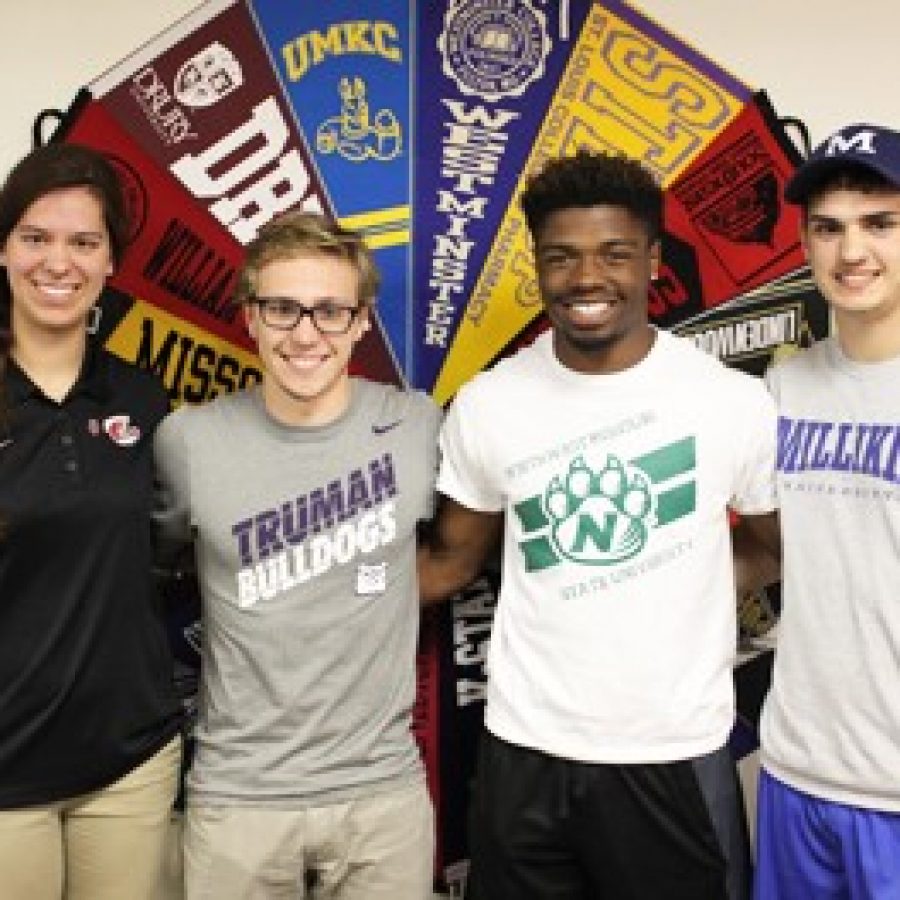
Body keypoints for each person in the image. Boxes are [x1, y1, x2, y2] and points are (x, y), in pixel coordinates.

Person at [417, 149, 780, 900]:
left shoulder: (730, 403)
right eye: (563, 257)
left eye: (615, 253)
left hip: (672, 753)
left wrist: (689, 579)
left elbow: (773, 547)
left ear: (652, 259)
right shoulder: (491, 403)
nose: (587, 279)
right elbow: (453, 562)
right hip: (524, 750)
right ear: (538, 266)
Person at [153, 210, 439, 899]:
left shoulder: (418, 427)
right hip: (238, 794)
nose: (305, 333)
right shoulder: (187, 440)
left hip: (382, 792)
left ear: (361, 321)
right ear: (249, 316)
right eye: (282, 308)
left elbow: (464, 549)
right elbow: (157, 568)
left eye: (329, 311)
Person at [0, 143, 183, 899]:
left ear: (112, 262)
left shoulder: (143, 398)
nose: (58, 262)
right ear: (3, 248)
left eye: (84, 242)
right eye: (36, 237)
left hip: (130, 759)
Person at [753, 123, 900, 900]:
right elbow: (772, 551)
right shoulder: (782, 389)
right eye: (829, 228)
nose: (852, 253)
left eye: (880, 223)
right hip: (797, 768)